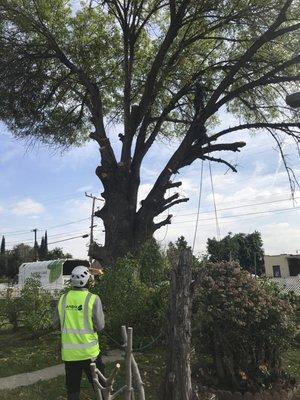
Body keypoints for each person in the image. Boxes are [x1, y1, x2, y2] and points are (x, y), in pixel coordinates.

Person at [53, 265, 105, 400]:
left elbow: (55, 324)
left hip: (70, 355)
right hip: (90, 354)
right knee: (100, 386)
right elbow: (100, 326)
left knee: (73, 389)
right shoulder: (93, 299)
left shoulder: (63, 299)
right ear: (88, 280)